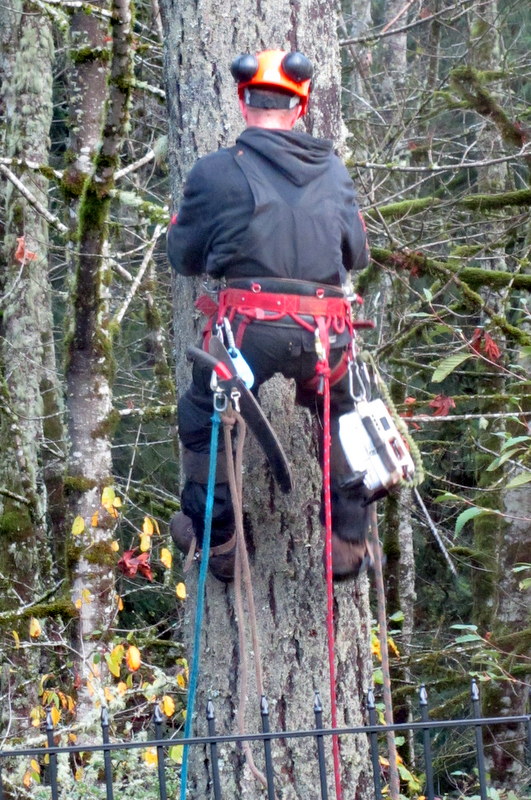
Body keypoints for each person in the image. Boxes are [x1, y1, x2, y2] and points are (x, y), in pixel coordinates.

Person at [168, 49, 371, 582]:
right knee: (345, 412)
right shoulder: (333, 171)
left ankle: (220, 542)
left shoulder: (214, 171)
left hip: (247, 331)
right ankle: (348, 540)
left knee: (203, 416)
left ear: (243, 104)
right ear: (300, 108)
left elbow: (184, 259)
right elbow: (356, 256)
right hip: (324, 333)